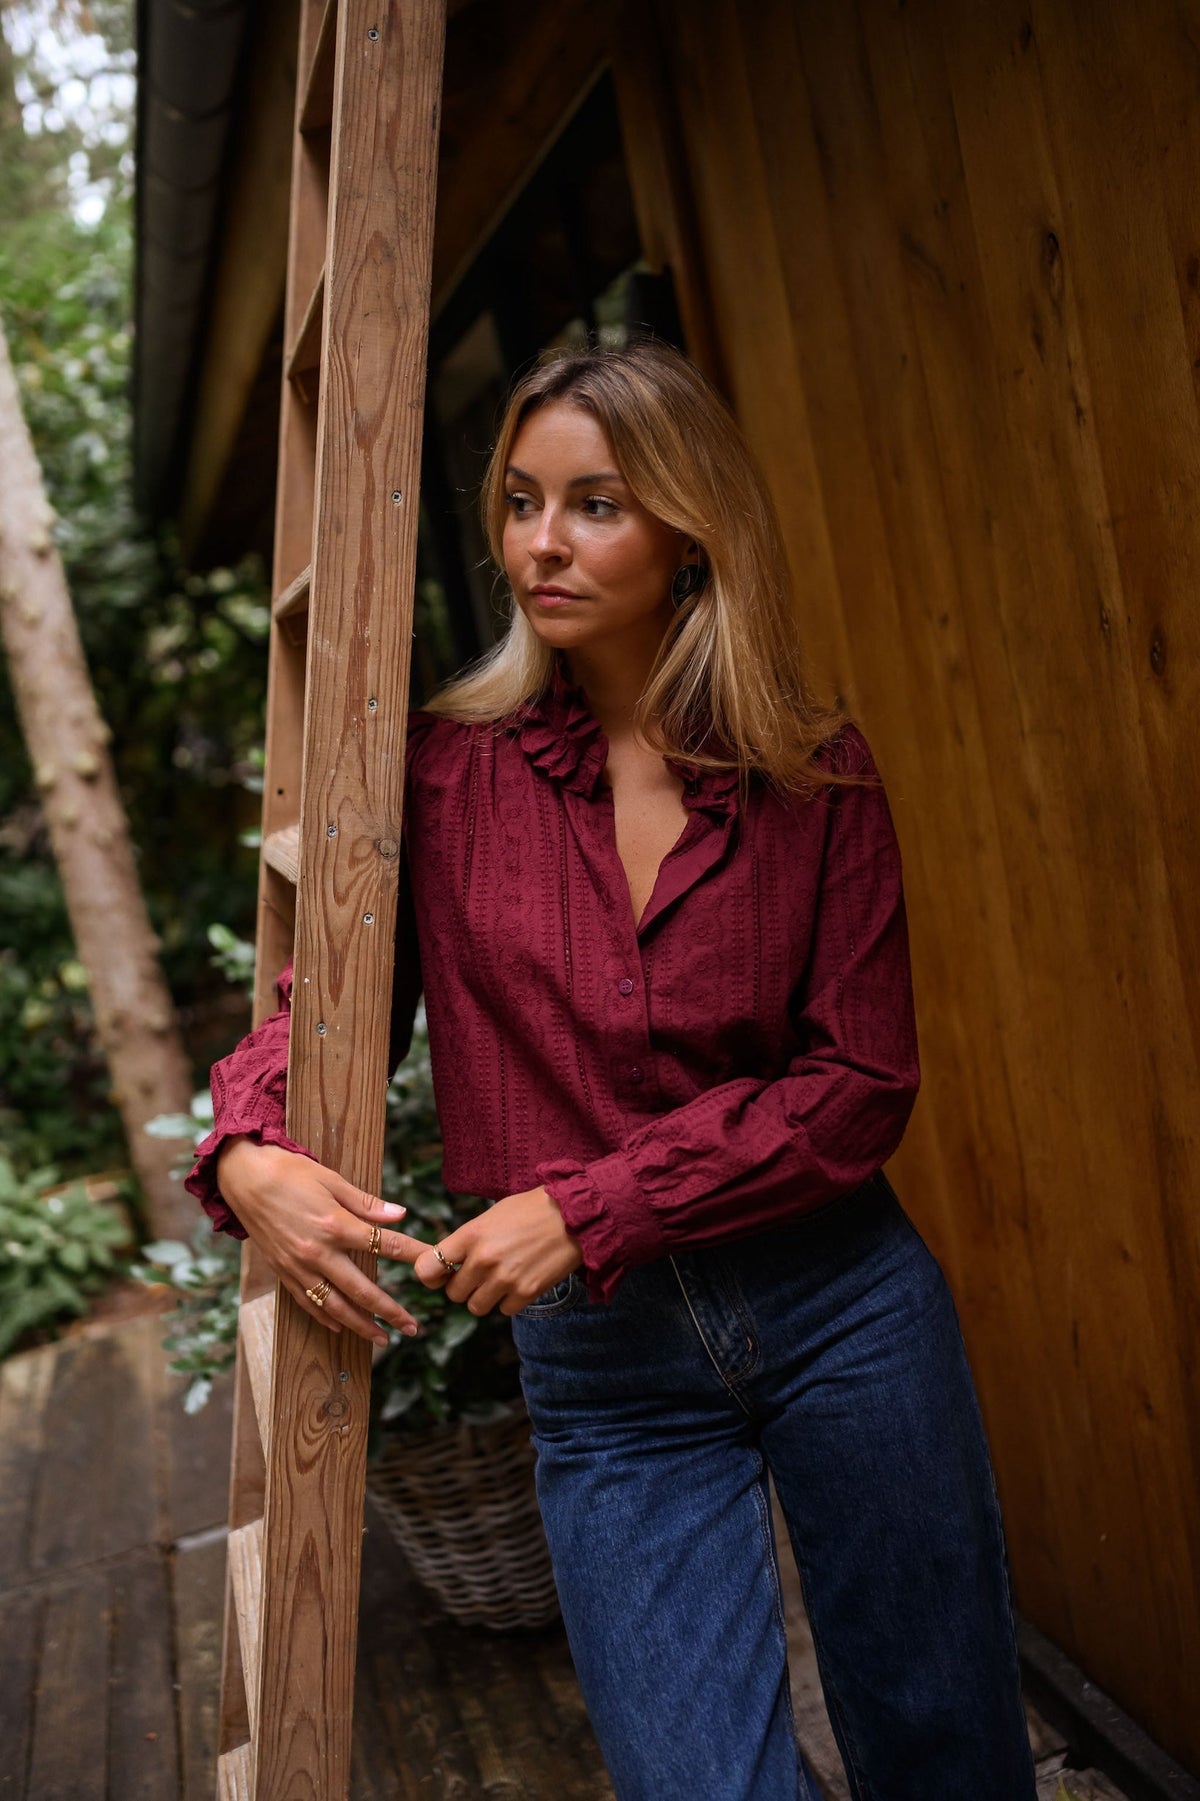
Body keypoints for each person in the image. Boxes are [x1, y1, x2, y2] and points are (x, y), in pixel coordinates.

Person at [186, 341, 1037, 1800]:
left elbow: (860, 1082)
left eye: (595, 504)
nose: (539, 543)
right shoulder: (443, 780)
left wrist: (588, 1203)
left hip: (848, 1311)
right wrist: (246, 1147)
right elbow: (321, 1009)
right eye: (521, 500)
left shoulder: (811, 768)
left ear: (691, 528)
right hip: (609, 1371)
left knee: (945, 1749)